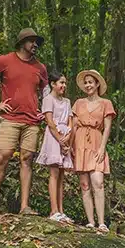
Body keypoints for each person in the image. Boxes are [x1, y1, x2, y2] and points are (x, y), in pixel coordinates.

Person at [0, 28, 49, 216]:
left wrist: (46, 112)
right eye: (31, 41)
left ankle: (24, 206)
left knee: (26, 159)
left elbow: (47, 91)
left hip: (32, 121)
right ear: (22, 43)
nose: (35, 45)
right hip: (10, 118)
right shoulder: (5, 60)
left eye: (36, 42)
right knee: (3, 156)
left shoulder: (40, 68)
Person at [71, 69, 115, 232]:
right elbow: (74, 126)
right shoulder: (78, 103)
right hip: (80, 142)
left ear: (97, 84)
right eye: (86, 82)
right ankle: (90, 222)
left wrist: (102, 147)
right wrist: (70, 146)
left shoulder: (106, 103)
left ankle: (102, 222)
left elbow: (107, 128)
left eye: (91, 82)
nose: (88, 85)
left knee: (98, 182)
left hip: (96, 142)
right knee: (84, 184)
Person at [36, 71, 75, 223]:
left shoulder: (67, 101)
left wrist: (68, 137)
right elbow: (50, 122)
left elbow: (70, 121)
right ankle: (53, 211)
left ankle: (61, 210)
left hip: (65, 136)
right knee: (53, 173)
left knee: (61, 175)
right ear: (53, 84)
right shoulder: (48, 99)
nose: (64, 86)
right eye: (61, 83)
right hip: (54, 138)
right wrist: (60, 140)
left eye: (65, 83)